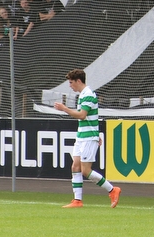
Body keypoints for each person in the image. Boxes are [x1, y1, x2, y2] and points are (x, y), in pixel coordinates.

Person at [53, 69, 121, 208]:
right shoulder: (83, 95)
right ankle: (77, 200)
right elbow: (91, 118)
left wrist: (64, 108)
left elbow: (82, 115)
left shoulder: (88, 95)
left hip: (88, 138)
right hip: (82, 136)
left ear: (79, 81)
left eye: (71, 83)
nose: (70, 86)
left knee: (85, 170)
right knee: (75, 166)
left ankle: (112, 189)